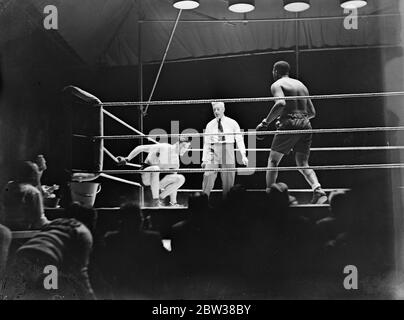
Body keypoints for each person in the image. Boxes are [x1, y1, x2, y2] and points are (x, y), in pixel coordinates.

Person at [256, 61, 327, 204]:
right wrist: (294, 118)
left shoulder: (277, 85)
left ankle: (270, 194)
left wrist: (265, 123)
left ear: (275, 71)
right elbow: (312, 112)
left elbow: (281, 104)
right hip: (306, 124)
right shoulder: (301, 85)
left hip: (290, 124)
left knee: (273, 160)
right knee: (302, 162)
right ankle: (318, 190)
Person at [11, 203, 97, 300]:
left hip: (22, 253)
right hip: (46, 258)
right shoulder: (83, 232)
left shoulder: (54, 223)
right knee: (48, 293)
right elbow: (80, 272)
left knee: (26, 291)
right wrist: (90, 295)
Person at [117, 137, 191, 207]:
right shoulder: (163, 147)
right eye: (184, 146)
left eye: (187, 147)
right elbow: (140, 148)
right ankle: (156, 201)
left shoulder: (176, 162)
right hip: (146, 176)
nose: (185, 149)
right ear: (178, 143)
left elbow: (174, 185)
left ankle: (160, 199)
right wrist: (127, 159)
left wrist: (173, 202)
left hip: (157, 182)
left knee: (180, 178)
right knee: (155, 168)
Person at [202, 102, 248, 199]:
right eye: (214, 110)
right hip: (213, 149)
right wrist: (204, 159)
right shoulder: (210, 125)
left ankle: (227, 203)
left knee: (228, 179)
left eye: (218, 109)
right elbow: (206, 142)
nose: (216, 111)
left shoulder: (232, 123)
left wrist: (243, 155)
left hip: (228, 148)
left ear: (223, 109)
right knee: (208, 175)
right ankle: (203, 200)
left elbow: (239, 139)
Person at [1, 161, 49, 230]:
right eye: (36, 172)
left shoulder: (9, 186)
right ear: (33, 174)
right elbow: (39, 220)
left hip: (6, 226)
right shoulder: (33, 191)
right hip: (25, 229)